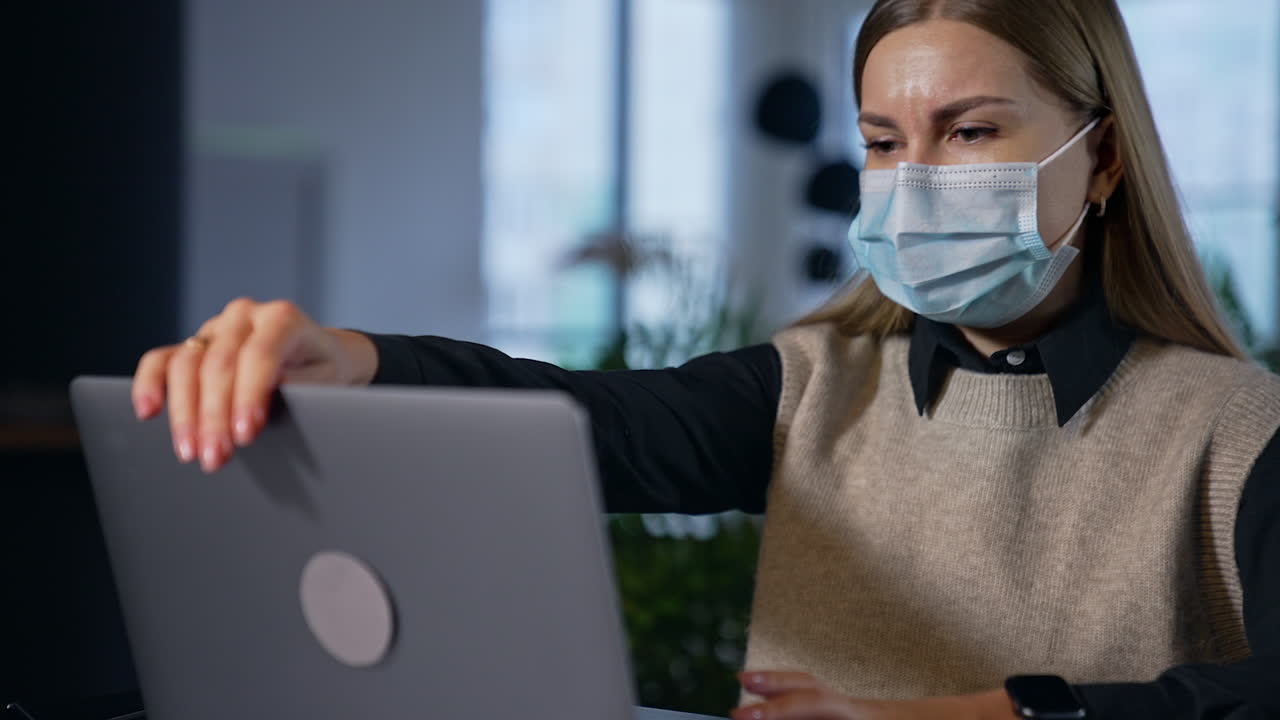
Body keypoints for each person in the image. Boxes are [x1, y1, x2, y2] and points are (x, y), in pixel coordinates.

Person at [132, 0, 1280, 718]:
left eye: (970, 130)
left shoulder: (1235, 430)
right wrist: (355, 362)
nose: (917, 176)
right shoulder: (810, 388)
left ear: (1104, 158)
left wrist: (983, 713)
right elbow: (573, 422)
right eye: (883, 141)